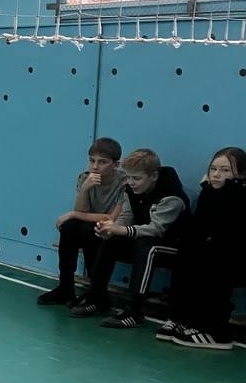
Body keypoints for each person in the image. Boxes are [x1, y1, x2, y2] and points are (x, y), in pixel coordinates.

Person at [69, 147, 189, 329]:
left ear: (154, 176)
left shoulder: (171, 198)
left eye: (137, 179)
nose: (131, 183)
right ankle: (97, 296)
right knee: (111, 238)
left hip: (173, 245)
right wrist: (111, 230)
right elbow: (126, 217)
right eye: (129, 178)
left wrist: (122, 230)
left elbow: (156, 229)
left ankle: (135, 311)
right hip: (142, 237)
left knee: (148, 246)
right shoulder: (129, 189)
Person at [155, 146, 246, 350]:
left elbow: (230, 233)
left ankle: (217, 332)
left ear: (240, 175)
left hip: (235, 255)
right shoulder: (209, 193)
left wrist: (231, 189)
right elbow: (200, 228)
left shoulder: (240, 196)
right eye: (213, 169)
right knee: (188, 254)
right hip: (215, 250)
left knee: (215, 258)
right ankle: (181, 318)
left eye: (225, 170)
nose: (216, 174)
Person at [38, 137, 125, 306]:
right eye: (92, 161)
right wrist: (85, 189)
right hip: (90, 225)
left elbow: (111, 218)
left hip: (113, 230)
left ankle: (96, 292)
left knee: (87, 229)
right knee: (69, 227)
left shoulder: (124, 183)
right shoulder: (85, 177)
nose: (95, 166)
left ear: (116, 165)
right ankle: (65, 288)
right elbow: (81, 210)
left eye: (102, 162)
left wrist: (72, 214)